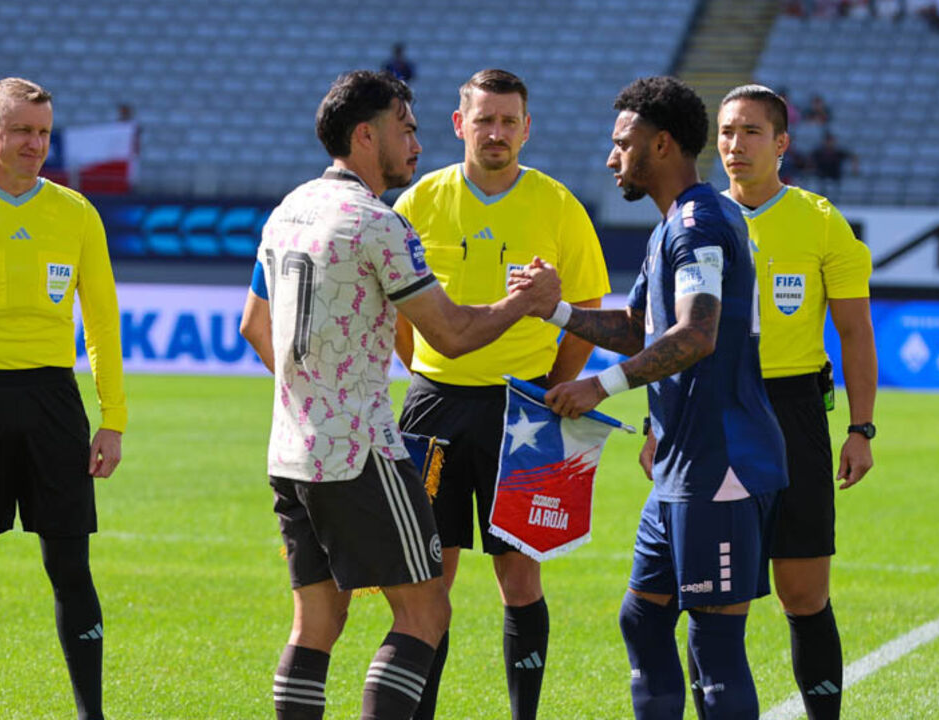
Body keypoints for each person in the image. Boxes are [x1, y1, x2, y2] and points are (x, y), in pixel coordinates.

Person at [252, 69, 559, 720]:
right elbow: (448, 335)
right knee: (424, 611)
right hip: (360, 453)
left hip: (290, 448)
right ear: (366, 135)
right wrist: (523, 303)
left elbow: (252, 325)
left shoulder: (289, 209)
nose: (417, 143)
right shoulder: (377, 222)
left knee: (315, 625)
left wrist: (313, 393)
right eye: (406, 128)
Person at [540, 76, 787, 719]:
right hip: (683, 468)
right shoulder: (672, 226)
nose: (610, 157)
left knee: (714, 646)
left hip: (721, 466)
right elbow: (636, 330)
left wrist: (600, 385)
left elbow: (696, 335)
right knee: (643, 622)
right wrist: (558, 310)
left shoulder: (699, 223)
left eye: (623, 143)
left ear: (662, 145)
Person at [389, 68, 610, 720]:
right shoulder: (418, 203)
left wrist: (550, 387)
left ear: (526, 128)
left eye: (509, 121)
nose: (497, 132)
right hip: (432, 408)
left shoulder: (558, 204)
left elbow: (588, 306)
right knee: (429, 582)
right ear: (459, 125)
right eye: (484, 119)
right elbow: (398, 319)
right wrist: (429, 371)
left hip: (528, 412)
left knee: (520, 578)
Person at [0, 77, 126, 720]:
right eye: (21, 131)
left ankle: (90, 713)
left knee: (71, 565)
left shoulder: (75, 214)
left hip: (52, 402)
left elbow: (101, 322)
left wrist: (112, 420)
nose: (34, 144)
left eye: (43, 132)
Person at [714, 84, 878, 719]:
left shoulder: (818, 219)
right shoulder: (695, 217)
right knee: (715, 593)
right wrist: (656, 423)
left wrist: (861, 427)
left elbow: (856, 332)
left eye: (751, 132)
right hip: (714, 410)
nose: (736, 145)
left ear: (782, 143)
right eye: (727, 132)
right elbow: (667, 335)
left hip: (792, 414)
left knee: (803, 594)